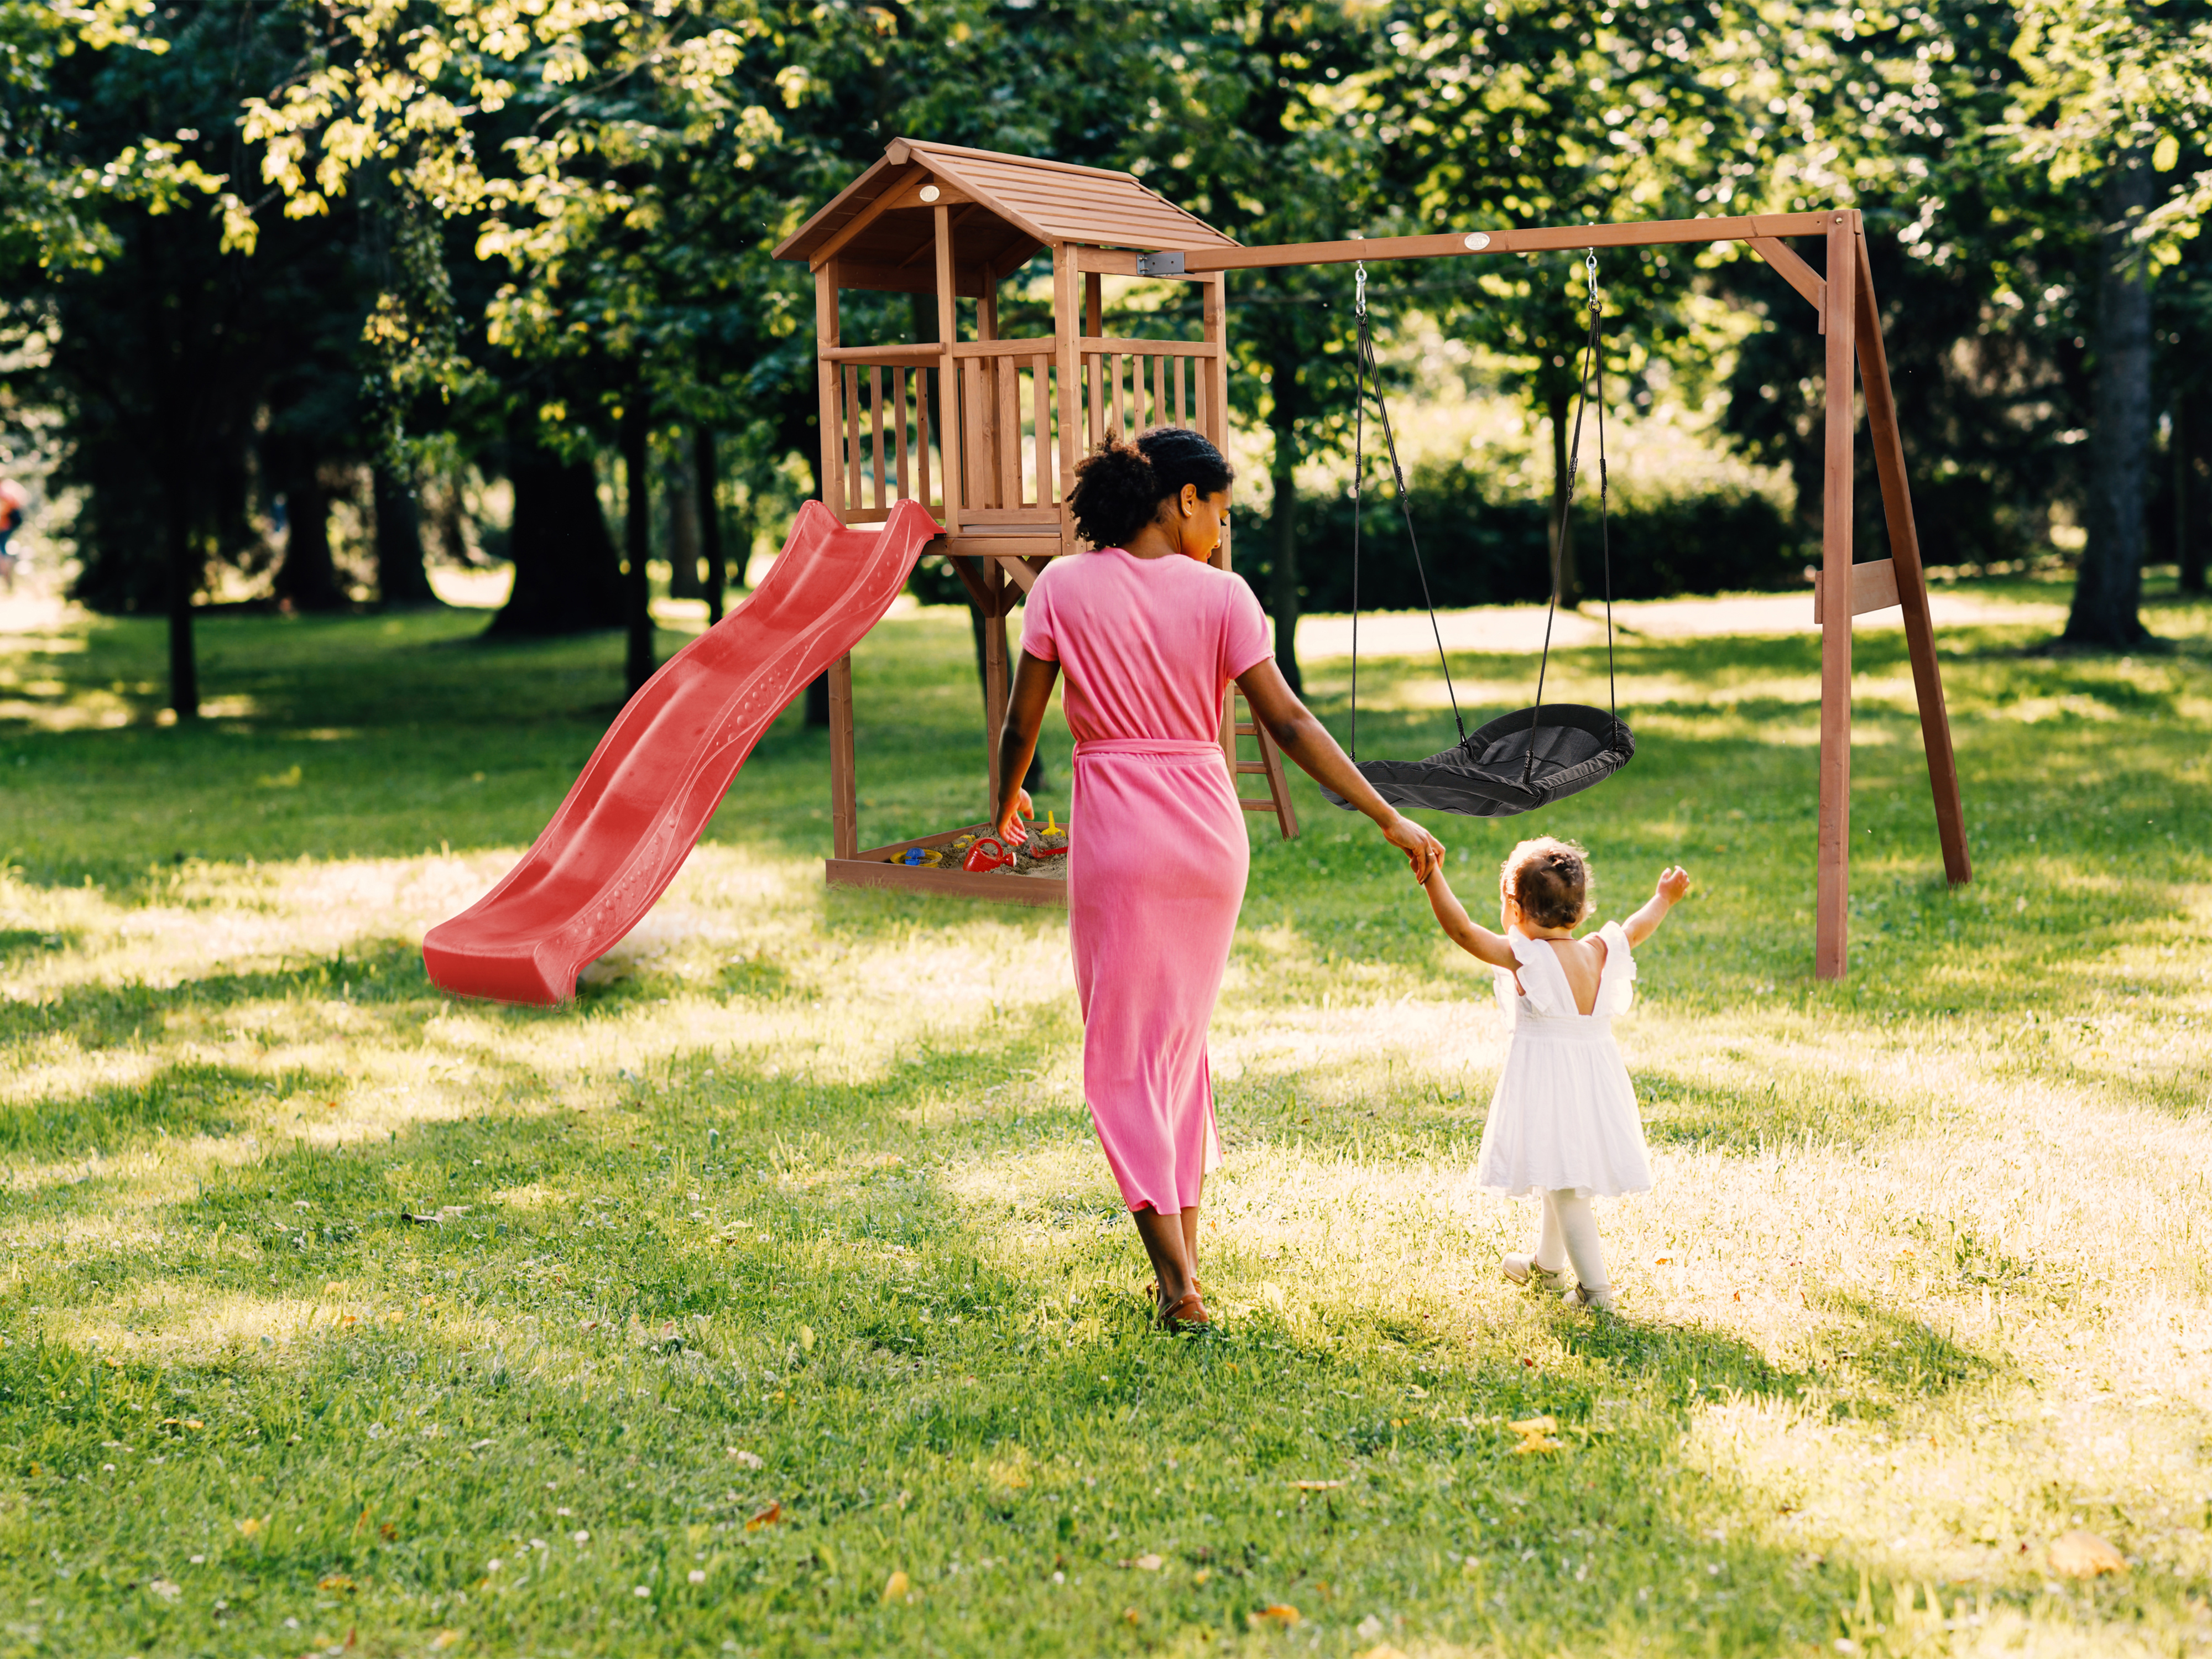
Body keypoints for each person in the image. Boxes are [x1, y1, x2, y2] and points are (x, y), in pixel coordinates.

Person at [993, 427, 1444, 1331]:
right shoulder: (1226, 597)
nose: (1223, 533)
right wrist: (1385, 813)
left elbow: (1020, 724)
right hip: (1208, 837)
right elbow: (1291, 723)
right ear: (1184, 499)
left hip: (1121, 838)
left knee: (1123, 1059)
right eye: (1222, 513)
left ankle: (1177, 1287)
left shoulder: (1060, 588)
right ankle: (1186, 1269)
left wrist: (1003, 807)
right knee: (1176, 1050)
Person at [1418, 837, 1691, 1311]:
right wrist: (1663, 899)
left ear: (1515, 908)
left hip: (1551, 1086)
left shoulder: (1527, 958)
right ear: (1580, 911)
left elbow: (1462, 930)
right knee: (1556, 1170)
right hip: (1594, 1084)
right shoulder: (1598, 950)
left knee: (1566, 1189)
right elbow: (1636, 927)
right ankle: (1547, 1267)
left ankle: (1596, 1293)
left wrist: (1431, 876)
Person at [0, 478, 27, 595]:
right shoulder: (8, 486)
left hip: (7, 524)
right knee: (3, 549)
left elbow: (6, 507)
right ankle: (7, 577)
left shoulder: (4, 491)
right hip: (10, 523)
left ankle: (6, 575)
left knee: (2, 550)